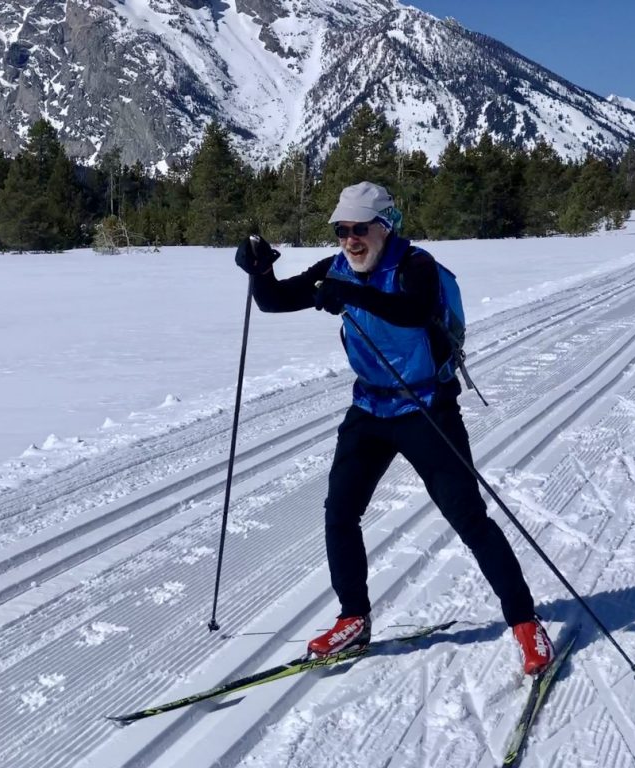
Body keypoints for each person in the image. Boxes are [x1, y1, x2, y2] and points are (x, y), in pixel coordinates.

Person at [234, 181, 554, 675]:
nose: (349, 240)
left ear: (386, 226)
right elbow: (274, 301)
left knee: (469, 519)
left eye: (360, 228)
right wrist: (260, 270)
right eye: (342, 230)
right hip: (370, 411)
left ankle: (525, 623)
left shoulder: (414, 265)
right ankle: (354, 620)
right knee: (340, 512)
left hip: (427, 408)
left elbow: (414, 312)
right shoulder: (337, 269)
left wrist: (349, 293)